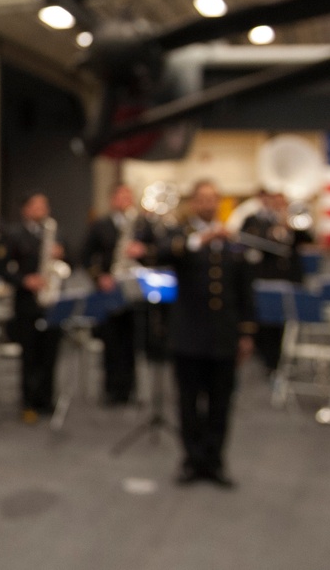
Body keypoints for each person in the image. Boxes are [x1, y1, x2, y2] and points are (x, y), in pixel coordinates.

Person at [158, 180, 255, 488]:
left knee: (220, 403)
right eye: (201, 199)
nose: (206, 204)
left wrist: (246, 332)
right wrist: (200, 239)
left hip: (223, 337)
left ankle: (215, 461)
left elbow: (244, 291)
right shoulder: (182, 237)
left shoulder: (233, 243)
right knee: (188, 402)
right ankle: (192, 459)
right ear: (193, 203)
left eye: (212, 199)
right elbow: (163, 254)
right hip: (188, 336)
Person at [1, 191, 66, 423]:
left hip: (51, 300)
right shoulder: (14, 234)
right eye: (36, 205)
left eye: (44, 205)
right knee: (30, 355)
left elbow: (73, 259)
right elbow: (3, 268)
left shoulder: (53, 232)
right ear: (25, 209)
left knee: (50, 352)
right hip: (27, 302)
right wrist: (24, 280)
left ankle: (47, 400)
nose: (42, 209)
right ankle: (28, 402)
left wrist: (61, 254)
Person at [81, 183, 142, 405]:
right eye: (122, 196)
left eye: (130, 195)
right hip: (110, 289)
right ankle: (112, 389)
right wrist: (100, 277)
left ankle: (130, 389)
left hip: (133, 289)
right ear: (112, 199)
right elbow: (85, 256)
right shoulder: (100, 225)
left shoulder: (140, 225)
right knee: (112, 341)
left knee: (132, 341)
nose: (127, 199)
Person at [240, 190, 313, 373]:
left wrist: (292, 226)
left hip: (290, 280)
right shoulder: (257, 221)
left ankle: (285, 357)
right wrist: (274, 229)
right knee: (268, 322)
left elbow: (308, 240)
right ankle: (269, 360)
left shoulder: (291, 223)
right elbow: (249, 241)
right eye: (276, 202)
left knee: (288, 323)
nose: (279, 206)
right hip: (267, 279)